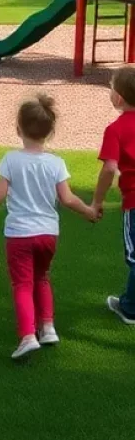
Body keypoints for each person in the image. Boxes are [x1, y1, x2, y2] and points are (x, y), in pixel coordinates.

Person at [0, 94, 97, 360]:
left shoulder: (11, 160)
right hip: (48, 233)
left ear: (18, 129)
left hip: (19, 234)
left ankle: (28, 335)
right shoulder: (56, 163)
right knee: (42, 277)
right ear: (51, 132)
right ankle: (48, 327)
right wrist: (87, 210)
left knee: (22, 284)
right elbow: (67, 198)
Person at [92, 66, 135, 325]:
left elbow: (109, 168)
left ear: (118, 98)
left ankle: (129, 308)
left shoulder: (116, 129)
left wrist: (97, 201)